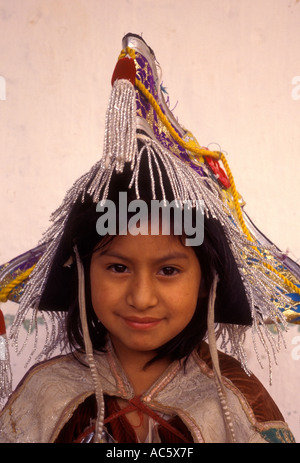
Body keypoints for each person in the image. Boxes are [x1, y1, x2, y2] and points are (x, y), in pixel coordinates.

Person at [0, 33, 299, 443]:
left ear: (206, 281)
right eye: (118, 267)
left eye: (169, 269)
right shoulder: (45, 394)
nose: (141, 297)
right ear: (83, 273)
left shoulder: (234, 403)